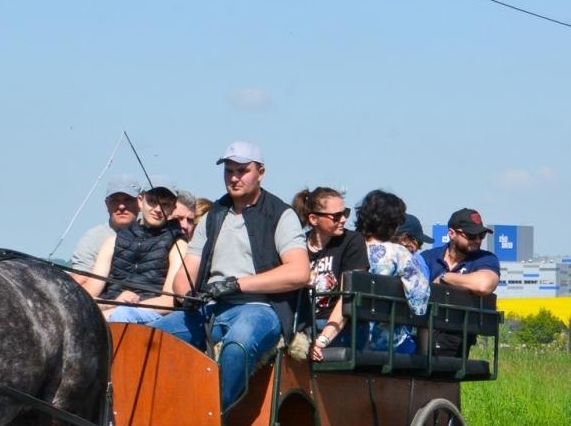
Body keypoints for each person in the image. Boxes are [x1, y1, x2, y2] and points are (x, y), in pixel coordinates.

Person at [149, 142, 309, 410]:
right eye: (229, 171)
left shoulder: (280, 214)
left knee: (238, 344)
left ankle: (209, 418)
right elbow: (186, 270)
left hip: (261, 308)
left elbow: (299, 272)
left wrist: (236, 284)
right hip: (210, 308)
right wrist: (186, 294)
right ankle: (154, 415)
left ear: (261, 172)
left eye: (242, 171)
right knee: (149, 338)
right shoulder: (213, 216)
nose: (234, 178)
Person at [92, 183, 186, 325]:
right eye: (152, 202)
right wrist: (113, 303)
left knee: (122, 315)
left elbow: (168, 301)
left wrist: (125, 307)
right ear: (140, 201)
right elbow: (89, 293)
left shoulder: (178, 245)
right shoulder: (113, 241)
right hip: (110, 311)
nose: (158, 209)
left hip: (150, 317)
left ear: (173, 208)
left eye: (165, 204)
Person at [294, 186, 368, 361]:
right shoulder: (296, 246)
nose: (343, 219)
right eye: (336, 216)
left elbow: (347, 299)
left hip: (340, 326)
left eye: (345, 213)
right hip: (303, 324)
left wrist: (322, 340)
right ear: (313, 219)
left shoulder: (352, 241)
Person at [354, 190, 429, 354]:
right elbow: (419, 302)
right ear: (393, 224)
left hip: (348, 335)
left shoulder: (348, 247)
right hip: (386, 343)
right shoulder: (399, 253)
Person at [419, 207, 501, 357]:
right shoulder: (427, 257)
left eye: (481, 235)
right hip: (418, 329)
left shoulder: (485, 259)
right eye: (471, 235)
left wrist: (446, 278)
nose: (477, 240)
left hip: (456, 334)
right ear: (452, 233)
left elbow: (484, 285)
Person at [67, 177, 140, 287]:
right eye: (115, 201)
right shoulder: (92, 239)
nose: (121, 206)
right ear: (107, 205)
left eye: (128, 200)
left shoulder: (155, 235)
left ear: (140, 203)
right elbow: (80, 283)